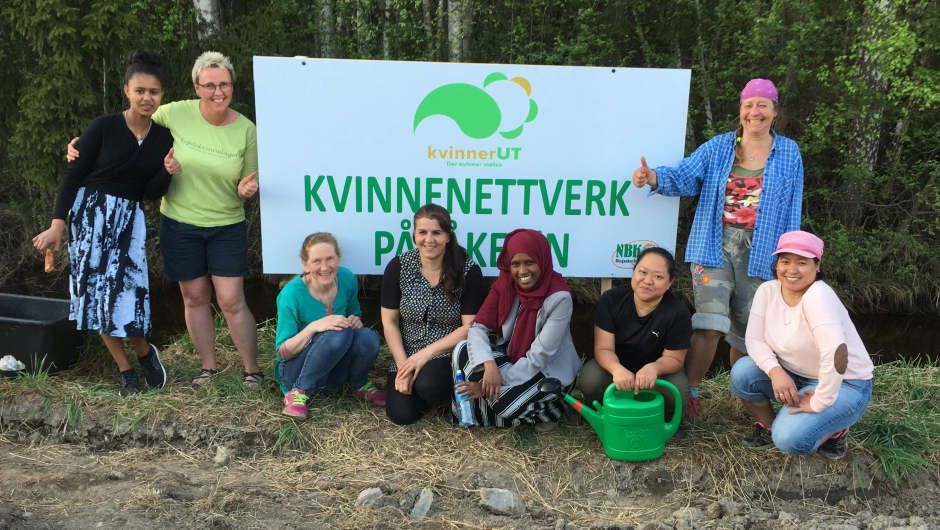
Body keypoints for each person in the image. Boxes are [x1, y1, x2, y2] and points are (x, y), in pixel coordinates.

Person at [69, 51, 263, 389]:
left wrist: (247, 189)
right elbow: (129, 122)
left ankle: (252, 370)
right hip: (179, 223)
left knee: (231, 300)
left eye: (225, 84)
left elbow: (248, 180)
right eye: (210, 85)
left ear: (233, 86)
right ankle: (208, 369)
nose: (218, 91)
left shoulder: (247, 130)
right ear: (196, 87)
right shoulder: (174, 112)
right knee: (195, 298)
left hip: (226, 224)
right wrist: (80, 145)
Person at [631, 78, 804, 420]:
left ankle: (743, 394)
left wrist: (791, 258)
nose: (755, 112)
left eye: (762, 106)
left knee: (747, 335)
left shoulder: (789, 152)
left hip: (763, 251)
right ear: (740, 112)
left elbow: (792, 206)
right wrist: (652, 177)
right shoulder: (719, 147)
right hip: (714, 246)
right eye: (748, 106)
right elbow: (684, 175)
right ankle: (690, 393)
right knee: (710, 325)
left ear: (774, 112)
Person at [33, 49, 181, 396]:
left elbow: (148, 192)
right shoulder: (104, 126)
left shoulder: (163, 138)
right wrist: (58, 224)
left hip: (129, 218)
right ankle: (125, 370)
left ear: (161, 95)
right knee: (96, 297)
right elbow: (74, 174)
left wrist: (167, 172)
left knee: (129, 294)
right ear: (127, 90)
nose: (147, 98)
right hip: (89, 217)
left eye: (154, 92)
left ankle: (145, 354)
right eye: (140, 90)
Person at [731, 231, 873, 459]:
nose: (792, 270)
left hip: (846, 383)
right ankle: (768, 428)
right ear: (776, 263)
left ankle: (836, 430)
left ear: (817, 265)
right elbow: (754, 340)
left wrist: (819, 401)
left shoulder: (819, 296)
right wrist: (775, 371)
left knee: (791, 440)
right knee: (743, 371)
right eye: (785, 261)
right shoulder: (767, 291)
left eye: (802, 262)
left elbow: (837, 355)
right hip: (795, 373)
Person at [454, 229, 582, 431]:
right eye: (515, 264)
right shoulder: (505, 284)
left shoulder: (560, 298)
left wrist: (492, 384)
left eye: (529, 262)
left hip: (548, 373)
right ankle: (490, 411)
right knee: (461, 349)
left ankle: (552, 410)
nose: (522, 271)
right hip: (512, 358)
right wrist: (489, 365)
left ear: (542, 259)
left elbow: (537, 358)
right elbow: (477, 326)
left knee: (505, 404)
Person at [381, 204, 485, 425]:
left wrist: (426, 354)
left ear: (448, 235)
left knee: (430, 385)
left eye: (437, 232)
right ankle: (422, 389)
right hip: (407, 351)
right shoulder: (398, 266)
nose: (429, 239)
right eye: (423, 232)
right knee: (402, 415)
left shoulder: (468, 270)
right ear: (414, 236)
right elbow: (389, 322)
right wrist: (403, 367)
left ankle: (443, 389)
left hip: (447, 352)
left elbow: (470, 327)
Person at [274, 233, 384, 420]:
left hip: (332, 373)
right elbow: (283, 352)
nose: (325, 267)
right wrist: (314, 327)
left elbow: (355, 313)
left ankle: (358, 384)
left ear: (338, 259)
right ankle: (299, 393)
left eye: (330, 259)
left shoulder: (347, 279)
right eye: (316, 261)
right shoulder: (291, 294)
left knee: (369, 337)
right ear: (305, 264)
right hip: (294, 373)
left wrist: (355, 320)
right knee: (338, 332)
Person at [580, 247, 692, 428]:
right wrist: (616, 369)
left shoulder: (678, 312)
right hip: (617, 368)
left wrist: (654, 368)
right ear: (634, 272)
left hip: (657, 373)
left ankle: (666, 421)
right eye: (643, 272)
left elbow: (674, 358)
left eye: (658, 276)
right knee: (590, 378)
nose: (647, 281)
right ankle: (601, 412)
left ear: (670, 282)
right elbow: (604, 349)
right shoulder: (611, 300)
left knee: (676, 390)